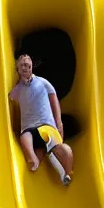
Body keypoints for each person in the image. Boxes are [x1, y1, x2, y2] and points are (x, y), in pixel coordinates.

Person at [9, 54, 73, 183]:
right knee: (25, 138)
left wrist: (59, 122)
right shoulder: (17, 89)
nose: (25, 68)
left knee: (60, 148)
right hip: (29, 128)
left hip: (46, 125)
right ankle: (33, 159)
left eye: (27, 65)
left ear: (32, 67)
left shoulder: (42, 82)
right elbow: (9, 97)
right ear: (17, 69)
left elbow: (54, 100)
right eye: (22, 65)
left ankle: (66, 172)